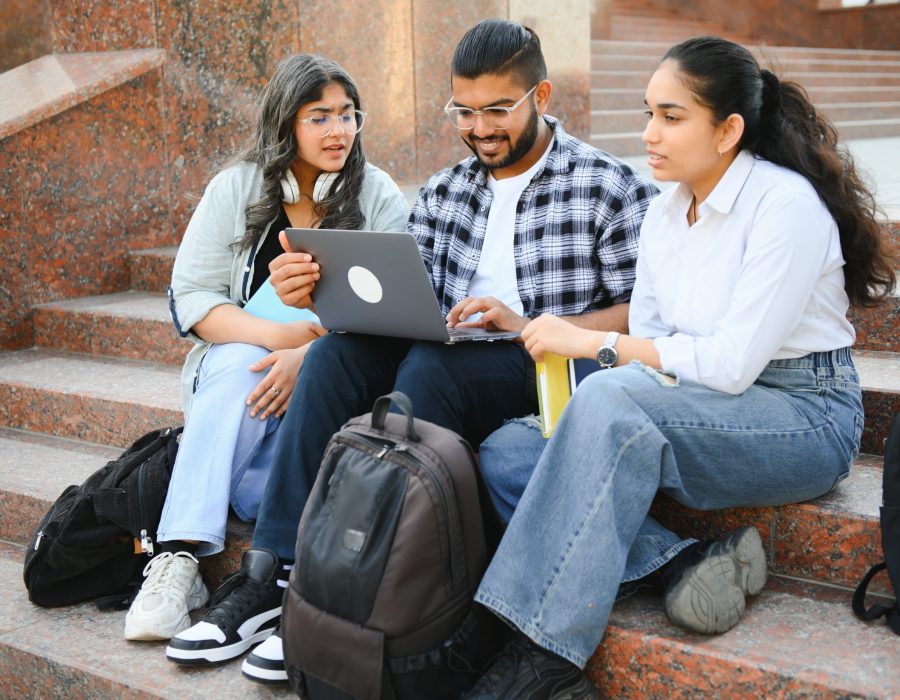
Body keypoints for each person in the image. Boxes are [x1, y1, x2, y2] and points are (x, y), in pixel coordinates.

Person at [166, 19, 658, 685]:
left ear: (541, 96)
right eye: (463, 110)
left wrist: (529, 322)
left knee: (433, 369)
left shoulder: (609, 184)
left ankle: (354, 591)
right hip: (447, 350)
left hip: (542, 362)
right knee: (335, 357)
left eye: (496, 111)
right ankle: (272, 574)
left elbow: (646, 314)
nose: (478, 128)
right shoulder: (446, 189)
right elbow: (403, 296)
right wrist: (316, 300)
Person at [462, 35, 897, 698]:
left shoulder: (785, 207)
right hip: (689, 401)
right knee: (510, 448)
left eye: (671, 116)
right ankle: (680, 564)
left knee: (604, 401)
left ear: (727, 131)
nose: (649, 133)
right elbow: (657, 340)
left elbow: (727, 364)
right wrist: (610, 372)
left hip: (803, 415)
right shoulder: (666, 213)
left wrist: (590, 345)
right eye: (647, 113)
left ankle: (541, 658)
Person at [122, 54, 409, 643]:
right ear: (286, 124)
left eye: (348, 116)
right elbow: (193, 299)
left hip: (333, 391)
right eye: (320, 117)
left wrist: (310, 356)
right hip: (245, 378)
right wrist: (282, 339)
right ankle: (178, 560)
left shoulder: (377, 194)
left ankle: (205, 518)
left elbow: (401, 307)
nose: (339, 131)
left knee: (254, 490)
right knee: (232, 364)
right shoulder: (236, 188)